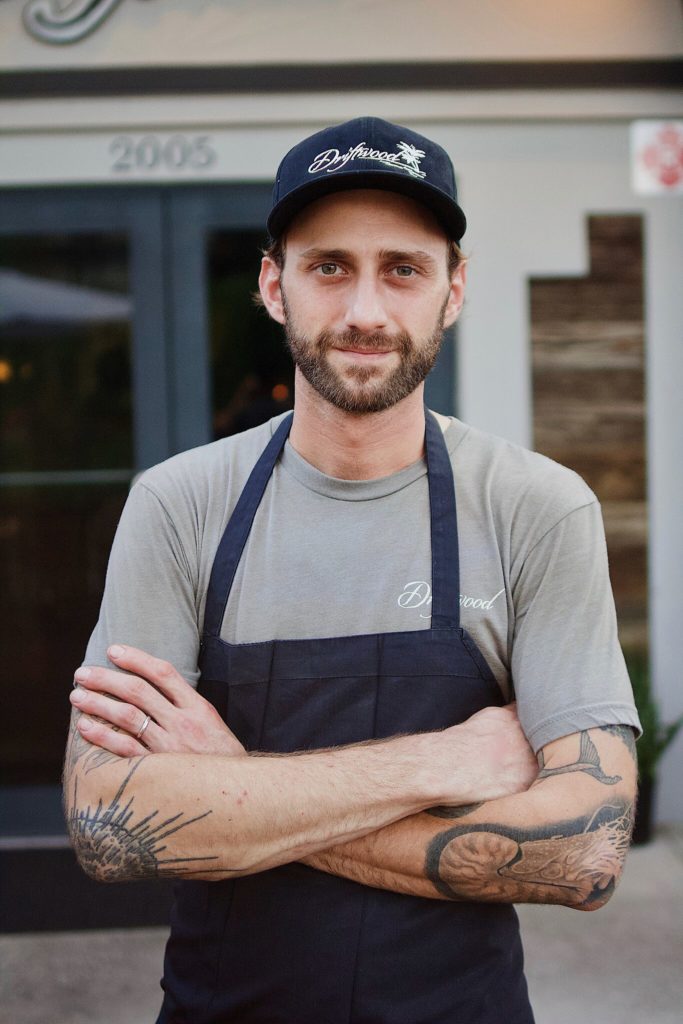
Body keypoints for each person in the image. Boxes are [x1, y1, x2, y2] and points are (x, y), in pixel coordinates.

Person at [65, 117, 641, 1024]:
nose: (366, 311)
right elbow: (107, 824)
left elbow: (587, 852)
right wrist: (438, 761)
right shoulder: (180, 505)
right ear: (273, 285)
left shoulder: (537, 506)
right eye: (328, 266)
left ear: (453, 289)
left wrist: (236, 781)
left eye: (402, 269)